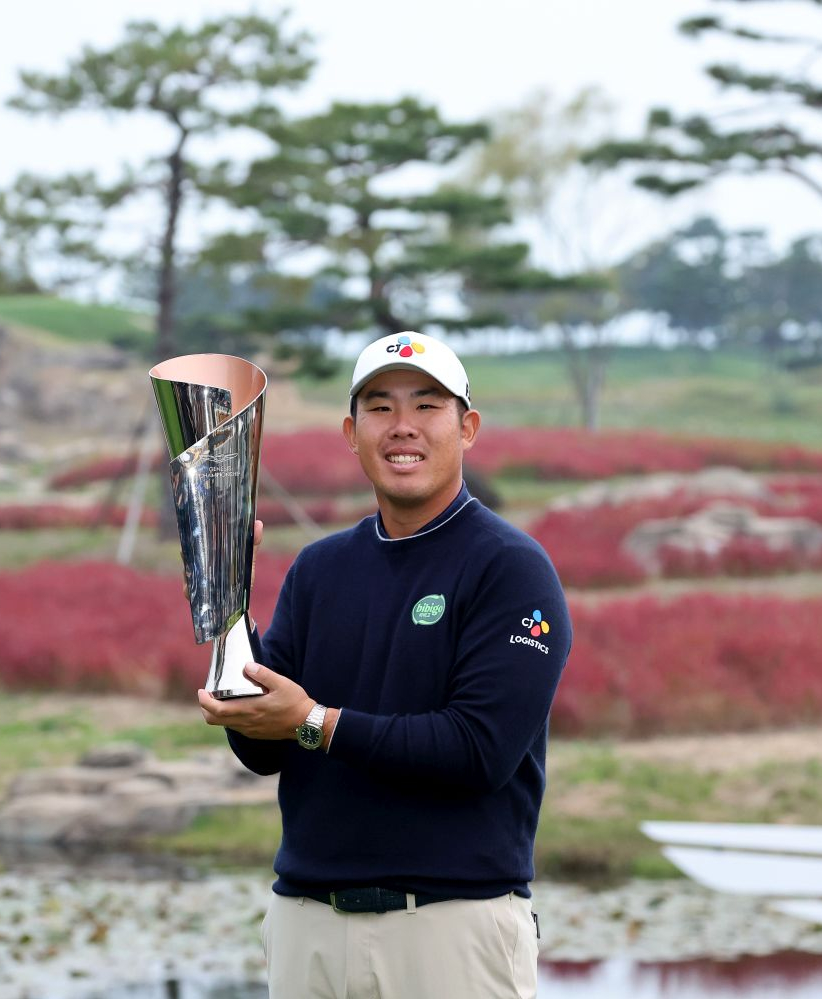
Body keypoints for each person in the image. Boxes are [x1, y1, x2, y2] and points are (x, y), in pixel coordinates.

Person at [197, 330, 570, 999]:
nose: (402, 427)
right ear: (350, 429)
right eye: (379, 407)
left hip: (449, 930)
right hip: (308, 926)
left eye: (427, 406)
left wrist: (313, 721)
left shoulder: (509, 568)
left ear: (467, 426)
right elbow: (259, 747)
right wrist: (226, 598)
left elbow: (478, 750)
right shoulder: (320, 568)